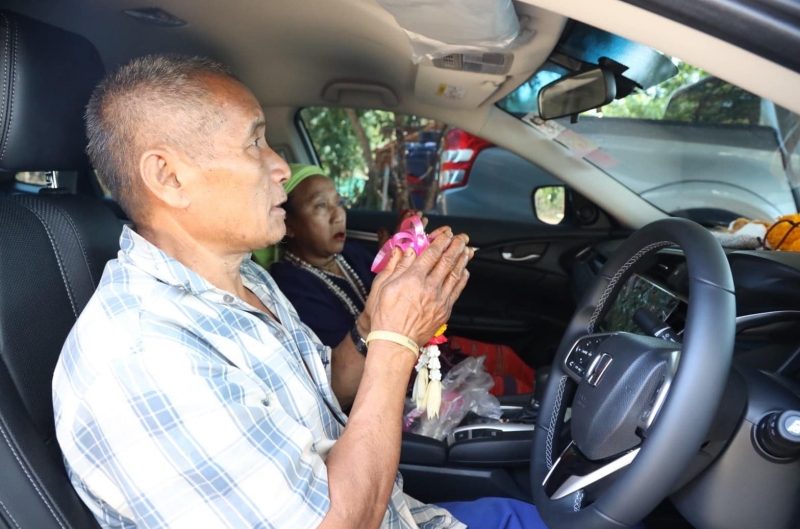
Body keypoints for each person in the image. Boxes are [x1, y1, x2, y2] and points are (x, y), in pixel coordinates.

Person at [52, 54, 548, 528]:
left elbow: (316, 391)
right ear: (169, 176)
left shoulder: (244, 278)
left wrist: (372, 325)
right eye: (255, 143)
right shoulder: (144, 355)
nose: (282, 168)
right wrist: (396, 342)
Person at [258, 164, 536, 396]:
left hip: (423, 351)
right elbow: (345, 361)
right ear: (289, 225)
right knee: (515, 390)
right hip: (390, 377)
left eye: (339, 203)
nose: (338, 215)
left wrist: (405, 254)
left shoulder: (352, 254)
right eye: (321, 205)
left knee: (510, 359)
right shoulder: (291, 286)